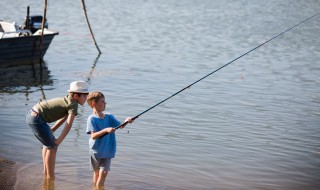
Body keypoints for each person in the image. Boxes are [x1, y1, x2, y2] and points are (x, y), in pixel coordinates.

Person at [26, 81, 89, 180]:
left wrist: (52, 130)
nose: (86, 98)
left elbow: (64, 117)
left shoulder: (68, 100)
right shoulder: (73, 104)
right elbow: (69, 124)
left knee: (47, 145)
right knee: (52, 146)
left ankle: (46, 172)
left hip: (32, 114)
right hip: (37, 119)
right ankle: (50, 177)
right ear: (76, 96)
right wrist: (59, 140)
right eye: (85, 96)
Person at [86, 92, 134, 189]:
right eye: (102, 102)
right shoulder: (91, 119)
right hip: (96, 150)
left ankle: (99, 187)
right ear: (94, 104)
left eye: (105, 101)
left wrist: (127, 121)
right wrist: (106, 130)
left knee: (104, 172)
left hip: (108, 149)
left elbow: (121, 126)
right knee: (96, 173)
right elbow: (93, 136)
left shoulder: (109, 116)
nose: (105, 103)